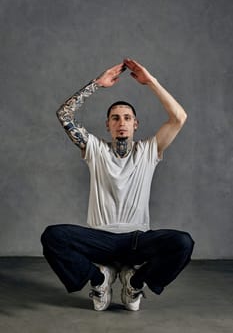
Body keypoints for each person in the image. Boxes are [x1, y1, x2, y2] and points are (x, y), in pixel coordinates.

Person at [41, 58, 194, 311]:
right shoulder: (94, 149)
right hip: (99, 239)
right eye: (115, 118)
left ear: (135, 124)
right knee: (53, 236)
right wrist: (96, 84)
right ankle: (100, 279)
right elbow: (64, 115)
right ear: (108, 125)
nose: (121, 122)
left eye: (126, 118)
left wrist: (151, 82)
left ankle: (134, 282)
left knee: (183, 242)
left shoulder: (149, 150)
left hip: (136, 240)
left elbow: (179, 117)